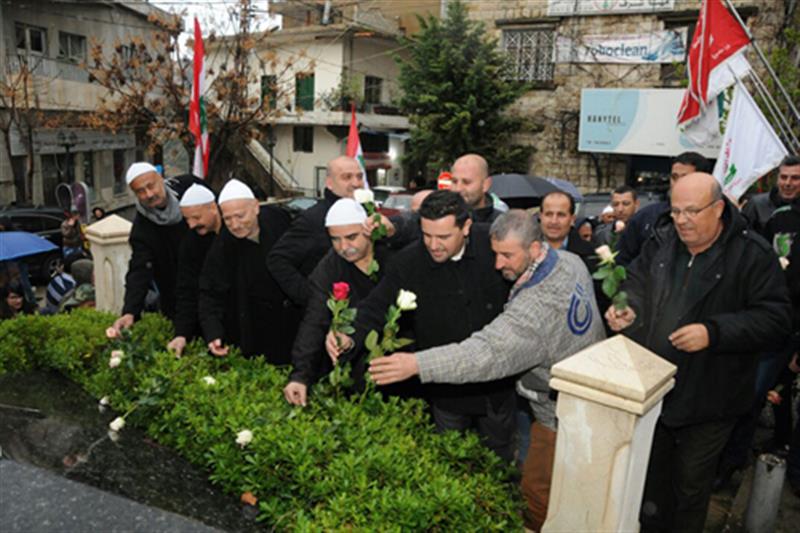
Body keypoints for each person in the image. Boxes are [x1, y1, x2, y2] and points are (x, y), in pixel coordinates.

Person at [368, 210, 605, 531]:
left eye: (507, 255)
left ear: (535, 249)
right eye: (495, 253)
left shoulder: (535, 311)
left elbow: (484, 354)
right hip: (587, 397)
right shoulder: (570, 261)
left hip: (558, 417)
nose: (497, 264)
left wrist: (416, 364)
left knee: (536, 494)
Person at [605, 173, 791, 533]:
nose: (681, 220)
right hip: (656, 389)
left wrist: (714, 332)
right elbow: (635, 282)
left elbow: (776, 319)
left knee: (690, 486)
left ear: (718, 209)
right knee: (651, 482)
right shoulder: (662, 243)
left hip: (713, 396)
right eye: (676, 211)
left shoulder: (752, 254)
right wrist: (627, 307)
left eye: (692, 211)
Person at [328, 191, 516, 461]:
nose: (433, 245)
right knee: (448, 464)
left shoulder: (494, 248)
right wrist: (348, 334)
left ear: (466, 227)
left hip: (496, 391)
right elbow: (374, 308)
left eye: (443, 237)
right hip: (446, 392)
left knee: (499, 466)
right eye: (427, 235)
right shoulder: (408, 262)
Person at [283, 198, 394, 406]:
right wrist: (300, 376)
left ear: (368, 231)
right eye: (335, 239)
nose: (344, 247)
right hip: (357, 366)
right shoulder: (329, 268)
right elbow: (314, 321)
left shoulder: (393, 254)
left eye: (351, 237)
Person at [198, 179, 298, 363]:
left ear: (256, 207)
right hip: (253, 329)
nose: (235, 225)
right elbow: (210, 292)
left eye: (240, 216)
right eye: (228, 219)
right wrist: (213, 333)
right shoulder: (223, 245)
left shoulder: (280, 221)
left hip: (292, 322)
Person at [108, 163, 201, 336]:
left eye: (151, 186)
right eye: (141, 191)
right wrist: (130, 312)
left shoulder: (189, 186)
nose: (149, 194)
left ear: (161, 179)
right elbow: (139, 270)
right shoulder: (142, 229)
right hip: (178, 301)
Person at [268, 156, 365, 308]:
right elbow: (277, 259)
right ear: (329, 183)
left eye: (359, 177)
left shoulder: (366, 213)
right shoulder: (313, 219)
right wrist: (312, 298)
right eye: (347, 177)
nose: (356, 183)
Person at [617, 152, 710, 266]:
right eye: (674, 177)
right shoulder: (645, 217)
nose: (677, 183)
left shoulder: (716, 220)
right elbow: (622, 262)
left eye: (685, 178)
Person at [166, 184, 221, 356]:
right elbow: (187, 290)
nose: (191, 225)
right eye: (187, 220)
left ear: (213, 208)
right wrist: (182, 333)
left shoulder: (236, 232)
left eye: (196, 217)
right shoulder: (190, 244)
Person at [742, 155, 800, 234]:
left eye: (795, 178)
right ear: (777, 179)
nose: (787, 183)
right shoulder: (757, 205)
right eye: (783, 177)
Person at [450, 154, 504, 223]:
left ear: (485, 185)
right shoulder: (440, 220)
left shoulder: (501, 223)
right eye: (454, 181)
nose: (458, 188)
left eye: (466, 182)